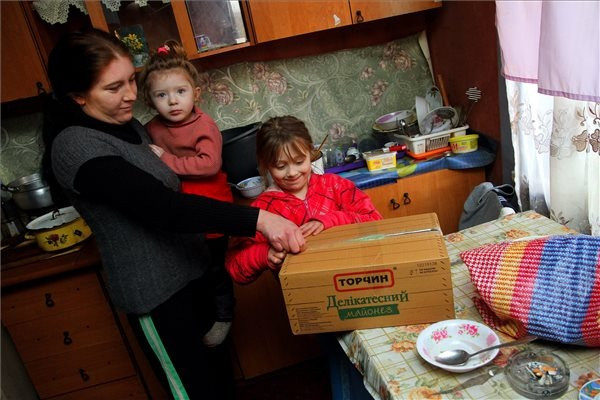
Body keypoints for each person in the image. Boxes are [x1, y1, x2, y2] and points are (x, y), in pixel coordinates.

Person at [41, 29, 305, 400]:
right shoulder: (76, 146)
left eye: (131, 80)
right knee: (193, 392)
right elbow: (163, 208)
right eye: (114, 88)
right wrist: (259, 220)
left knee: (220, 383)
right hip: (156, 294)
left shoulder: (129, 126)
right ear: (78, 95)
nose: (131, 95)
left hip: (193, 273)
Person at [137, 40, 234, 348]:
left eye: (180, 92)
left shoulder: (204, 124)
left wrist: (166, 160)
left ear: (196, 93)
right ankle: (201, 319)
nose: (173, 101)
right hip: (180, 215)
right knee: (192, 272)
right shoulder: (152, 128)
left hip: (211, 211)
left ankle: (224, 316)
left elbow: (209, 164)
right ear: (150, 100)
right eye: (162, 95)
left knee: (215, 270)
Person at [225, 115, 382, 284]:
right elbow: (234, 267)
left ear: (310, 152)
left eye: (299, 161)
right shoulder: (262, 211)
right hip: (304, 293)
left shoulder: (335, 186)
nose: (292, 173)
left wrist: (331, 220)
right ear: (266, 164)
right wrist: (264, 254)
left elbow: (375, 222)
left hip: (354, 281)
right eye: (280, 166)